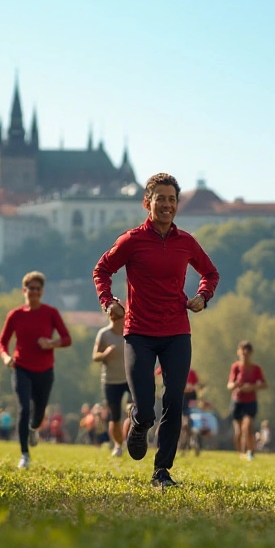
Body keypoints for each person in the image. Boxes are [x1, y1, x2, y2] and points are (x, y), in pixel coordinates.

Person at [92, 172, 219, 489]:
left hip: (177, 330)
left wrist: (203, 296)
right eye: (160, 198)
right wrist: (108, 302)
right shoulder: (132, 240)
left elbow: (210, 273)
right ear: (147, 202)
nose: (166, 204)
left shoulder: (186, 242)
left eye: (172, 199)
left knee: (175, 400)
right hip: (139, 333)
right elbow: (102, 269)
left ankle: (162, 471)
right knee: (146, 407)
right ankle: (138, 423)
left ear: (177, 205)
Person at [0, 271, 72, 470]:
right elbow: (2, 342)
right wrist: (6, 357)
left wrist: (50, 343)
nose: (34, 292)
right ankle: (24, 455)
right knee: (23, 408)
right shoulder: (15, 315)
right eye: (31, 288)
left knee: (38, 414)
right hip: (20, 367)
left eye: (38, 289)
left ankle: (33, 429)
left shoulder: (51, 313)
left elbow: (66, 339)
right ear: (24, 291)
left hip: (44, 370)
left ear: (42, 292)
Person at [92, 305, 129, 457]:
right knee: (115, 417)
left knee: (134, 409)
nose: (116, 321)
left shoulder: (130, 333)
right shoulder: (104, 334)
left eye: (119, 317)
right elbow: (95, 356)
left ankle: (133, 438)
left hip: (129, 379)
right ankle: (119, 445)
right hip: (110, 381)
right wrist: (105, 354)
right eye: (113, 317)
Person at [228, 341, 268, 461]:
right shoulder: (235, 367)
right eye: (242, 353)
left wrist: (252, 387)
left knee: (248, 426)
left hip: (250, 400)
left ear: (251, 354)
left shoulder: (256, 369)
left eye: (247, 353)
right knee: (239, 431)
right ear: (239, 353)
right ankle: (241, 453)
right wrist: (236, 385)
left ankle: (251, 451)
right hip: (237, 400)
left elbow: (264, 385)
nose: (244, 356)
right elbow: (229, 385)